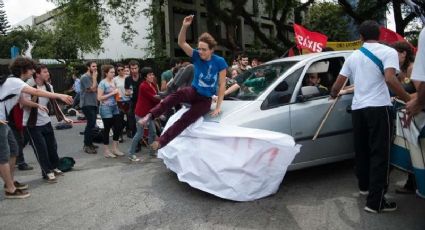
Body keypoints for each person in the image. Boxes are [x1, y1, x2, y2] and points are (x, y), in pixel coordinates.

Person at [330, 20, 411, 213]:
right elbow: (391, 78)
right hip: (378, 108)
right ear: (380, 36)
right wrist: (409, 99)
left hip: (358, 109)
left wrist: (333, 94)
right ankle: (376, 202)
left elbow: (336, 86)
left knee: (362, 150)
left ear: (360, 37)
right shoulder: (388, 52)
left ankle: (365, 188)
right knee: (380, 153)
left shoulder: (353, 56)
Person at [139, 15, 228, 151]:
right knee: (176, 95)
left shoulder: (220, 61)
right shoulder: (197, 55)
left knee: (185, 120)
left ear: (211, 50)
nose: (200, 52)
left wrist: (218, 107)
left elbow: (222, 85)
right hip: (193, 91)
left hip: (205, 100)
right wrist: (185, 26)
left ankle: (160, 142)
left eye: (204, 49)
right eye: (199, 48)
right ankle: (150, 115)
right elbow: (181, 43)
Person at [0, 56, 73, 199]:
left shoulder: (15, 82)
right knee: (3, 156)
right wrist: (60, 95)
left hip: (4, 121)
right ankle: (10, 189)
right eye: (31, 69)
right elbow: (37, 92)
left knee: (14, 150)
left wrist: (37, 105)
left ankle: (10, 181)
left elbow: (20, 100)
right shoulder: (15, 81)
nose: (33, 71)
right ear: (24, 70)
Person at [22, 64, 73, 183]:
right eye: (45, 72)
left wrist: (64, 117)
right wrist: (36, 98)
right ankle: (46, 172)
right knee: (41, 149)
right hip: (32, 123)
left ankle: (54, 167)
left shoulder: (48, 86)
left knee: (52, 147)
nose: (48, 74)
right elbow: (23, 104)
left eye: (47, 72)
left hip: (46, 121)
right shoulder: (28, 86)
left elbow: (54, 103)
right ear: (38, 74)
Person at [392, 41, 417, 194]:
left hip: (416, 114)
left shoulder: (413, 69)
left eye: (395, 54)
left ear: (403, 54)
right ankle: (412, 182)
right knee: (410, 148)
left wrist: (405, 98)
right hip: (407, 114)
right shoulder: (402, 71)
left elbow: (421, 93)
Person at [128, 67, 161, 161]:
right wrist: (165, 98)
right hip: (141, 113)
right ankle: (131, 154)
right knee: (140, 134)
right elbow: (154, 98)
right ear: (145, 77)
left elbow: (156, 97)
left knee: (153, 132)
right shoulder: (143, 86)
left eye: (152, 74)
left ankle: (152, 152)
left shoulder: (152, 84)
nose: (152, 76)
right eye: (150, 75)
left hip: (149, 114)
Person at [97, 65, 124, 158]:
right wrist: (112, 93)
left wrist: (119, 96)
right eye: (111, 72)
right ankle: (106, 151)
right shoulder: (102, 83)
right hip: (105, 107)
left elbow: (116, 94)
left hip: (114, 106)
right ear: (106, 73)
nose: (113, 74)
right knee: (107, 129)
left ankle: (115, 148)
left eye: (114, 72)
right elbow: (99, 97)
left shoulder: (114, 81)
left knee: (118, 126)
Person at [80, 61, 99, 154]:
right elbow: (92, 89)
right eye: (93, 66)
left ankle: (90, 143)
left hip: (93, 103)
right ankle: (86, 145)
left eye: (96, 66)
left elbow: (96, 89)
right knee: (90, 124)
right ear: (88, 67)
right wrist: (95, 79)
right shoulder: (85, 77)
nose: (95, 68)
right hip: (86, 103)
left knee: (92, 124)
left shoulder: (92, 77)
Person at [406, 28, 425, 116]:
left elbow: (420, 91)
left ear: (404, 54)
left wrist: (418, 102)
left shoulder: (411, 68)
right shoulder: (400, 71)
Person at [124, 60, 143, 139]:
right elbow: (127, 91)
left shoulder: (143, 78)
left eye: (135, 68)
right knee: (133, 123)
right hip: (133, 103)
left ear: (138, 68)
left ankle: (145, 139)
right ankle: (137, 143)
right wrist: (128, 93)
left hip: (143, 103)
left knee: (145, 122)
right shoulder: (128, 79)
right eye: (132, 69)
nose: (134, 70)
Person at [113, 63, 130, 142]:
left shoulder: (128, 78)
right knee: (119, 119)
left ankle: (129, 132)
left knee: (130, 118)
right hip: (119, 101)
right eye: (118, 70)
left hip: (128, 100)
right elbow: (113, 90)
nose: (120, 71)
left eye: (122, 69)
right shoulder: (115, 79)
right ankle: (120, 136)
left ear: (124, 69)